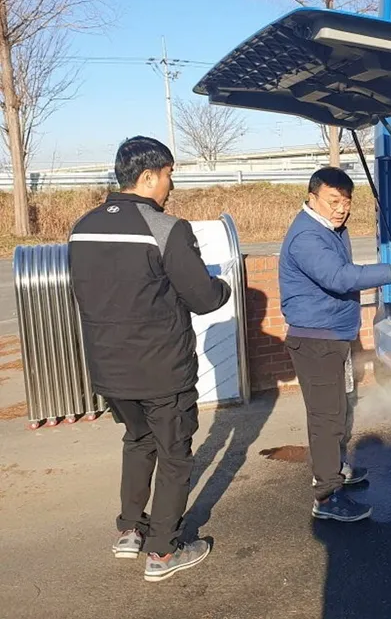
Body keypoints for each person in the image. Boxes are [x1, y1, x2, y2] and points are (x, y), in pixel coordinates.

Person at [68, 136, 231, 582]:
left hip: (109, 370)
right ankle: (163, 551)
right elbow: (201, 297)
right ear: (147, 176)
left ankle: (129, 530)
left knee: (137, 442)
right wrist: (224, 287)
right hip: (162, 371)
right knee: (176, 456)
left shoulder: (82, 226)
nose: (171, 184)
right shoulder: (167, 229)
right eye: (169, 174)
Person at [279, 166, 391, 521]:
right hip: (316, 341)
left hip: (333, 336)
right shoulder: (307, 237)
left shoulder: (332, 230)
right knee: (326, 418)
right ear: (312, 197)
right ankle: (327, 497)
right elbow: (339, 276)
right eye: (333, 200)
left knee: (339, 410)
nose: (341, 208)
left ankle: (335, 469)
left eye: (346, 201)